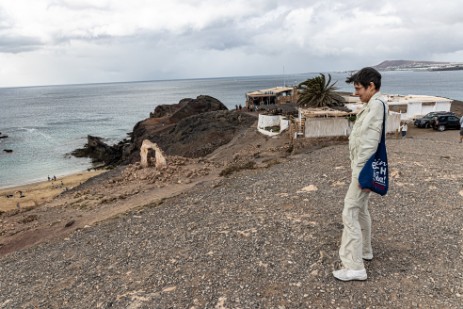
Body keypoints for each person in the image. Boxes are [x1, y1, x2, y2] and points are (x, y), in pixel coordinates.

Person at [333, 67, 388, 282]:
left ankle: (354, 266)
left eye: (358, 89)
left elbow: (369, 144)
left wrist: (360, 176)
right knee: (361, 209)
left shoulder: (376, 106)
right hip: (361, 168)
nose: (356, 93)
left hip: (362, 169)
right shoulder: (372, 104)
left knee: (350, 211)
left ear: (371, 86)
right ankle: (365, 251)